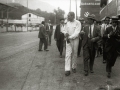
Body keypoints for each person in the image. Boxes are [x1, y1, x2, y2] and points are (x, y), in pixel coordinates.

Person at [62, 12, 81, 76]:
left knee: (74, 53)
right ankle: (67, 69)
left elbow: (77, 32)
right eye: (67, 16)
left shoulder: (78, 23)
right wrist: (65, 33)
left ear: (73, 16)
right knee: (67, 54)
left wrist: (70, 37)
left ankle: (73, 67)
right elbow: (64, 30)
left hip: (75, 40)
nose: (67, 17)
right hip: (68, 40)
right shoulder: (66, 23)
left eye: (69, 16)